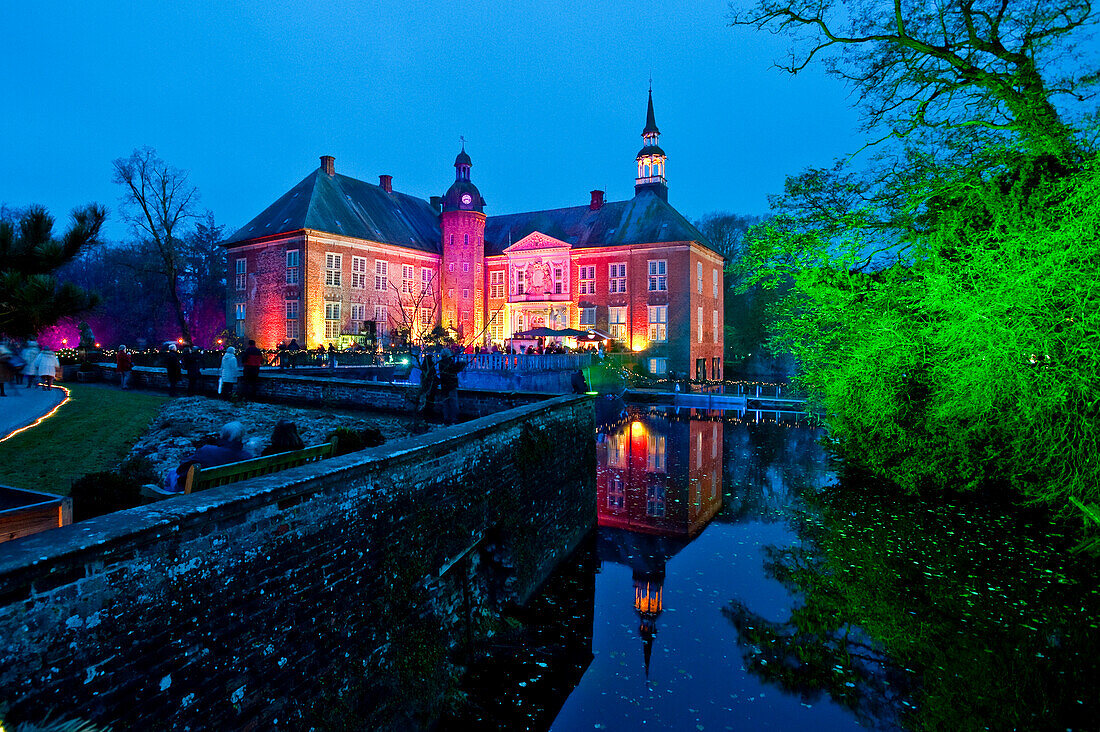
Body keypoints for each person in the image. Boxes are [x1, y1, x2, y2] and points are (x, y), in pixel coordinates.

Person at [164, 421, 251, 493]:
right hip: (228, 493)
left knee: (172, 473)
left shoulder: (208, 450)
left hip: (201, 493)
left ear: (223, 436)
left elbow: (181, 469)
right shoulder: (247, 457)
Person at [437, 350, 466, 424]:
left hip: (444, 385)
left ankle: (446, 418)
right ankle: (454, 419)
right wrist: (462, 364)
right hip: (451, 385)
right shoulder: (449, 362)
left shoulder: (441, 362)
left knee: (446, 403)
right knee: (453, 403)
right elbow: (454, 369)